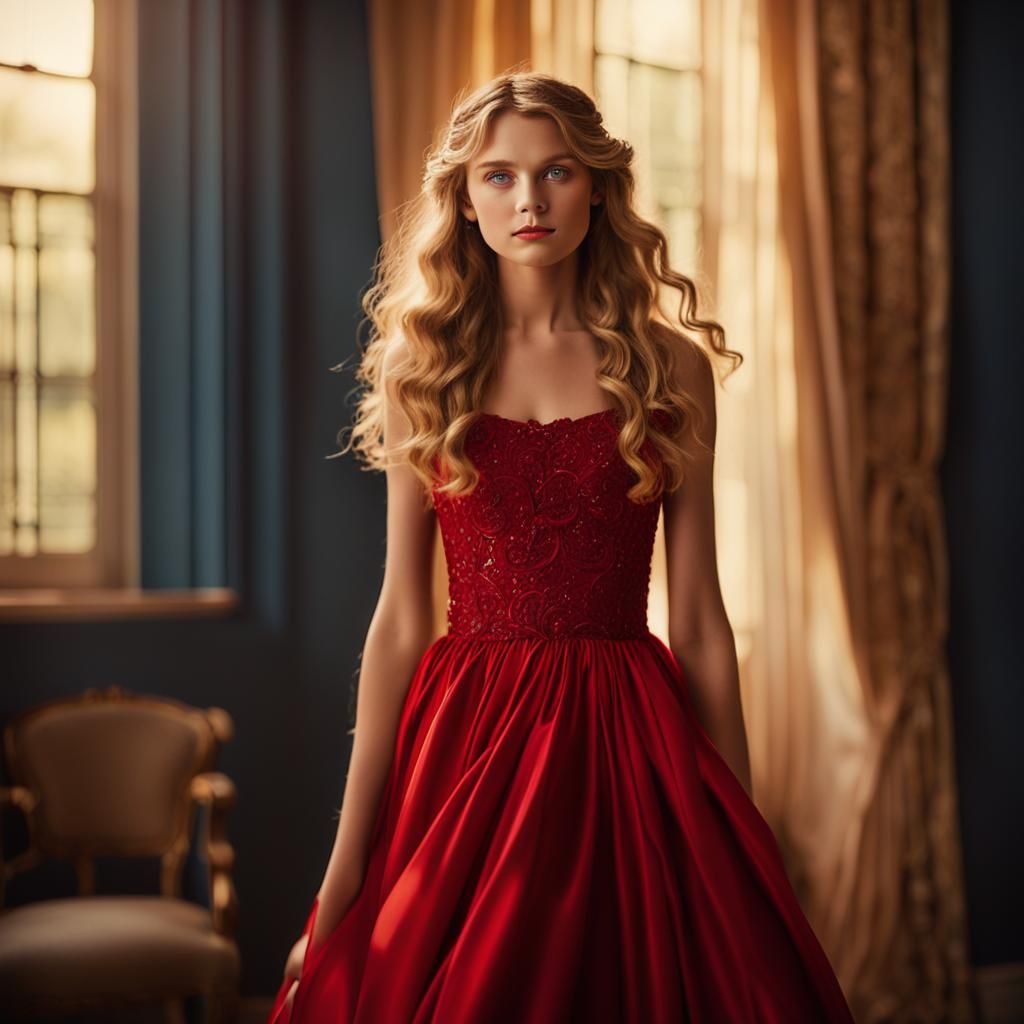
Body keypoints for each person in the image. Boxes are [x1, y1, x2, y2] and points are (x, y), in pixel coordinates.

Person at [269, 70, 855, 1023]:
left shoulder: (670, 365)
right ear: (463, 196)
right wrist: (343, 881)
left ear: (599, 186)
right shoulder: (425, 365)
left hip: (630, 743)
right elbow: (402, 618)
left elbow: (700, 618)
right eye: (498, 177)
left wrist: (739, 834)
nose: (530, 201)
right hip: (468, 746)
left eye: (557, 173)